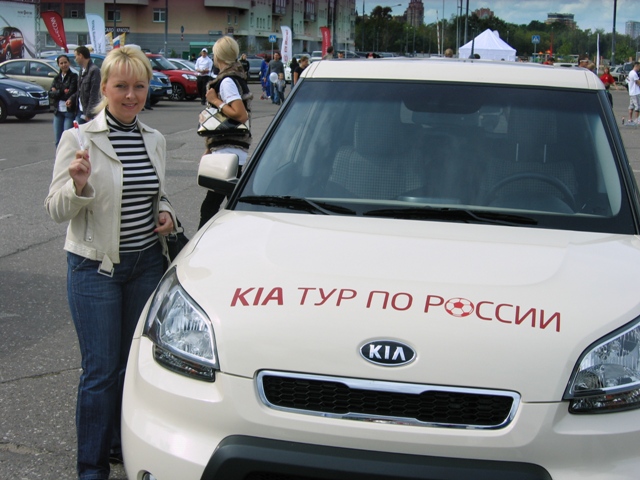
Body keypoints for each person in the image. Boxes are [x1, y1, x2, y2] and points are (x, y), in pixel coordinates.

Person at [44, 45, 176, 480]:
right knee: (100, 371)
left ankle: (120, 443)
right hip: (95, 270)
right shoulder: (79, 139)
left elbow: (157, 193)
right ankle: (91, 467)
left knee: (130, 366)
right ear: (104, 88)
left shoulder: (154, 140)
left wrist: (166, 212)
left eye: (139, 86)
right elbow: (55, 209)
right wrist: (79, 187)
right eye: (121, 86)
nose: (131, 95)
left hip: (146, 266)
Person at [199, 35, 252, 228]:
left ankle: (202, 242)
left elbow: (240, 114)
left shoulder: (227, 81)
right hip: (230, 149)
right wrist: (209, 148)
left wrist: (215, 101)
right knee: (232, 203)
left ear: (218, 56)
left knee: (211, 207)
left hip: (228, 150)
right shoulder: (236, 77)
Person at [49, 54, 78, 147]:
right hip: (58, 112)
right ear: (58, 65)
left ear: (69, 63)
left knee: (67, 140)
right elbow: (50, 94)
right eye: (61, 63)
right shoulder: (56, 78)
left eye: (65, 62)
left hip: (69, 112)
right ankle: (58, 156)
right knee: (58, 140)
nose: (63, 65)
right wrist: (62, 91)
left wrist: (57, 91)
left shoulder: (74, 77)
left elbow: (70, 93)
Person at [69, 46, 101, 124]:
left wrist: (89, 114)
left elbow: (94, 94)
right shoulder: (81, 70)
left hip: (88, 112)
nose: (75, 59)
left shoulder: (94, 70)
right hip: (80, 110)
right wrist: (71, 98)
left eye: (76, 56)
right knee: (77, 130)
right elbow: (80, 90)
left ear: (81, 55)